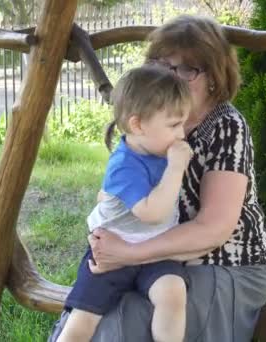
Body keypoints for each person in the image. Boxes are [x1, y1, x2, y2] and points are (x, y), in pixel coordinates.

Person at [49, 14, 266, 342]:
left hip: (224, 262)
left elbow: (214, 229)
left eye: (187, 69)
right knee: (99, 318)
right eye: (163, 65)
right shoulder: (149, 121)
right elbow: (115, 192)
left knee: (128, 321)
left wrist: (127, 253)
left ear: (214, 76)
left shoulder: (227, 126)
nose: (173, 78)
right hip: (154, 255)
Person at [57, 65, 197, 342]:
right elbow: (153, 213)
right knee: (83, 318)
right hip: (110, 254)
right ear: (137, 125)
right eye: (173, 125)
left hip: (154, 251)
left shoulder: (156, 151)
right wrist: (176, 168)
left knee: (173, 293)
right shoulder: (123, 165)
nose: (182, 134)